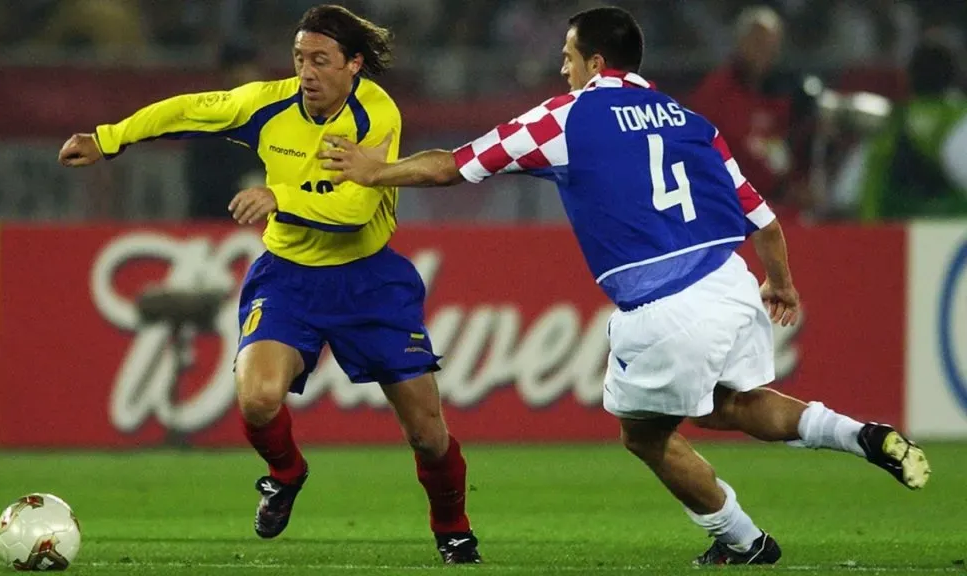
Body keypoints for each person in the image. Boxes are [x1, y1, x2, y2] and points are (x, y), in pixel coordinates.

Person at [320, 6, 930, 566]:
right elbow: (764, 219)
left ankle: (743, 540)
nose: (562, 66)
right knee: (734, 405)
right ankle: (860, 434)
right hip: (731, 280)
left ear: (595, 62)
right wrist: (783, 285)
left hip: (665, 305)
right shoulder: (693, 122)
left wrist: (378, 171)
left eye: (568, 54)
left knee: (643, 434)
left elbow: (456, 164)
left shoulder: (567, 116)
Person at [56, 4, 481, 565]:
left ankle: (452, 529)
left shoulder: (375, 114)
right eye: (300, 58)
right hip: (288, 278)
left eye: (321, 60)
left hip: (368, 280)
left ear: (354, 64)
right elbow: (188, 111)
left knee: (427, 434)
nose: (307, 72)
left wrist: (280, 197)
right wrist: (110, 138)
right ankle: (286, 473)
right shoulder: (267, 102)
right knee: (257, 399)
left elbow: (354, 208)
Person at [688, 6, 807, 217]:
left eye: (770, 45)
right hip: (726, 205)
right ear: (740, 43)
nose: (764, 51)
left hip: (773, 204)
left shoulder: (783, 95)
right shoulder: (716, 91)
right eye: (757, 42)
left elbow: (785, 149)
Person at [855, 36, 967, 220]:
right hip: (952, 231)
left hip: (886, 233)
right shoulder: (959, 118)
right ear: (956, 75)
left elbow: (848, 189)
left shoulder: (890, 119)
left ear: (909, 76)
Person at [183, 40, 268, 220]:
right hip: (217, 222)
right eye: (241, 69)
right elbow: (200, 179)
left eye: (251, 69)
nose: (248, 76)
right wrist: (240, 186)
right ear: (226, 75)